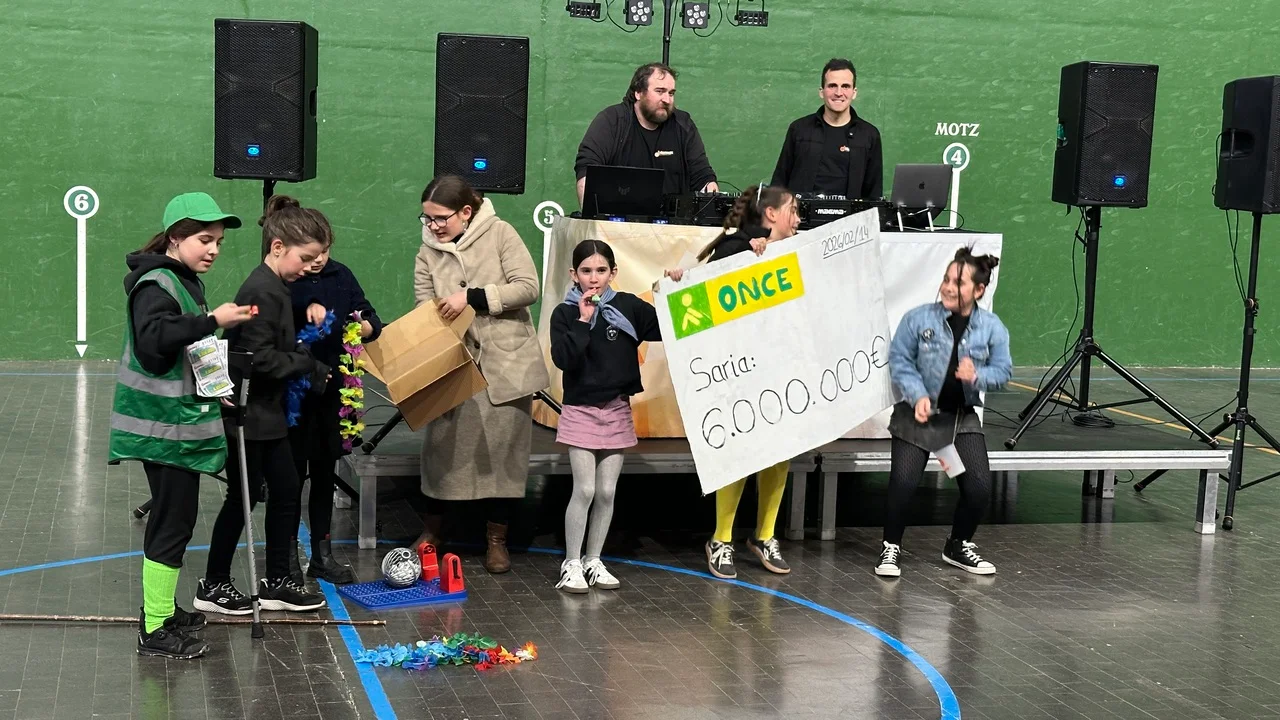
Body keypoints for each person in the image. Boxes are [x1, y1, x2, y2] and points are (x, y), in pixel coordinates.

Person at [108, 191, 254, 658]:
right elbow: (156, 340)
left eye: (219, 242)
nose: (214, 250)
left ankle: (164, 610)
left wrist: (216, 386)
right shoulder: (155, 284)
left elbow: (190, 347)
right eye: (204, 240)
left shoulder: (183, 281)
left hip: (177, 426)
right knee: (172, 524)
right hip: (162, 428)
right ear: (175, 238)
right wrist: (212, 319)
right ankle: (154, 628)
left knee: (178, 520)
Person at [196, 195, 330, 615]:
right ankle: (213, 583)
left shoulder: (276, 288)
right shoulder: (262, 290)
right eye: (305, 257)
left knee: (286, 490)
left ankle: (277, 582)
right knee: (243, 498)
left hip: (267, 415)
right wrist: (306, 363)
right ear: (277, 247)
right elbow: (258, 360)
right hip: (248, 415)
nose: (309, 266)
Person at [412, 175, 550, 573]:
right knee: (441, 453)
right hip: (454, 363)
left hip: (504, 364)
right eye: (426, 218)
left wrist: (471, 297)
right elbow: (423, 303)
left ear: (466, 212)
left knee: (503, 458)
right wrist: (434, 319)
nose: (433, 226)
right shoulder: (427, 251)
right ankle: (433, 532)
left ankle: (496, 539)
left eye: (440, 218)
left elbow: (528, 287)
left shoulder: (501, 233)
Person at [665, 185, 801, 579]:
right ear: (771, 214)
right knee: (740, 451)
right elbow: (700, 303)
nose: (798, 218)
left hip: (780, 368)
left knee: (780, 452)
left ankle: (765, 535)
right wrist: (681, 282)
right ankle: (721, 539)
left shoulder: (796, 252)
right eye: (793, 210)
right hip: (739, 371)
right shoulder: (735, 250)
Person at [875, 247, 1012, 578]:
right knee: (903, 484)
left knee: (978, 488)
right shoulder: (918, 318)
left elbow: (1003, 371)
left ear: (979, 290)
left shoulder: (991, 327)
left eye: (958, 283)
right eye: (946, 279)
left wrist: (978, 376)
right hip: (917, 418)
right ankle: (890, 546)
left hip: (959, 420)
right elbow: (900, 360)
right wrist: (918, 394)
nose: (948, 287)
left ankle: (958, 544)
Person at [549, 240, 663, 593]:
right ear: (574, 275)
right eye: (586, 271)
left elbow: (667, 326)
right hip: (581, 409)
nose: (593, 278)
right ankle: (572, 562)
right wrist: (584, 320)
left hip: (616, 409)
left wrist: (674, 286)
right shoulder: (565, 314)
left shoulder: (628, 307)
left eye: (601, 270)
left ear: (613, 272)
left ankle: (593, 559)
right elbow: (564, 359)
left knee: (607, 491)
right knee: (584, 489)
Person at [288, 222, 384, 584]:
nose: (318, 260)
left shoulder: (341, 275)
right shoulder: (287, 279)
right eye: (311, 254)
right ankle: (286, 558)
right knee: (290, 478)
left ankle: (322, 554)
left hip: (333, 394)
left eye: (324, 252)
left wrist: (366, 326)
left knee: (324, 473)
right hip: (294, 394)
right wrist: (305, 308)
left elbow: (368, 314)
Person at [574, 62, 719, 204]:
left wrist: (709, 189)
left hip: (673, 219)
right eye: (659, 91)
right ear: (638, 93)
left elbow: (702, 176)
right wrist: (592, 215)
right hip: (619, 218)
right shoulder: (612, 121)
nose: (667, 100)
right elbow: (587, 169)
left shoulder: (683, 125)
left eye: (671, 93)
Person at [771, 58, 884, 199]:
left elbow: (874, 193)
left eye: (845, 86)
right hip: (801, 213)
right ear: (821, 91)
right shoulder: (799, 129)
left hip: (851, 214)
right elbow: (779, 183)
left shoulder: (869, 135)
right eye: (832, 86)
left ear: (854, 92)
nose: (839, 92)